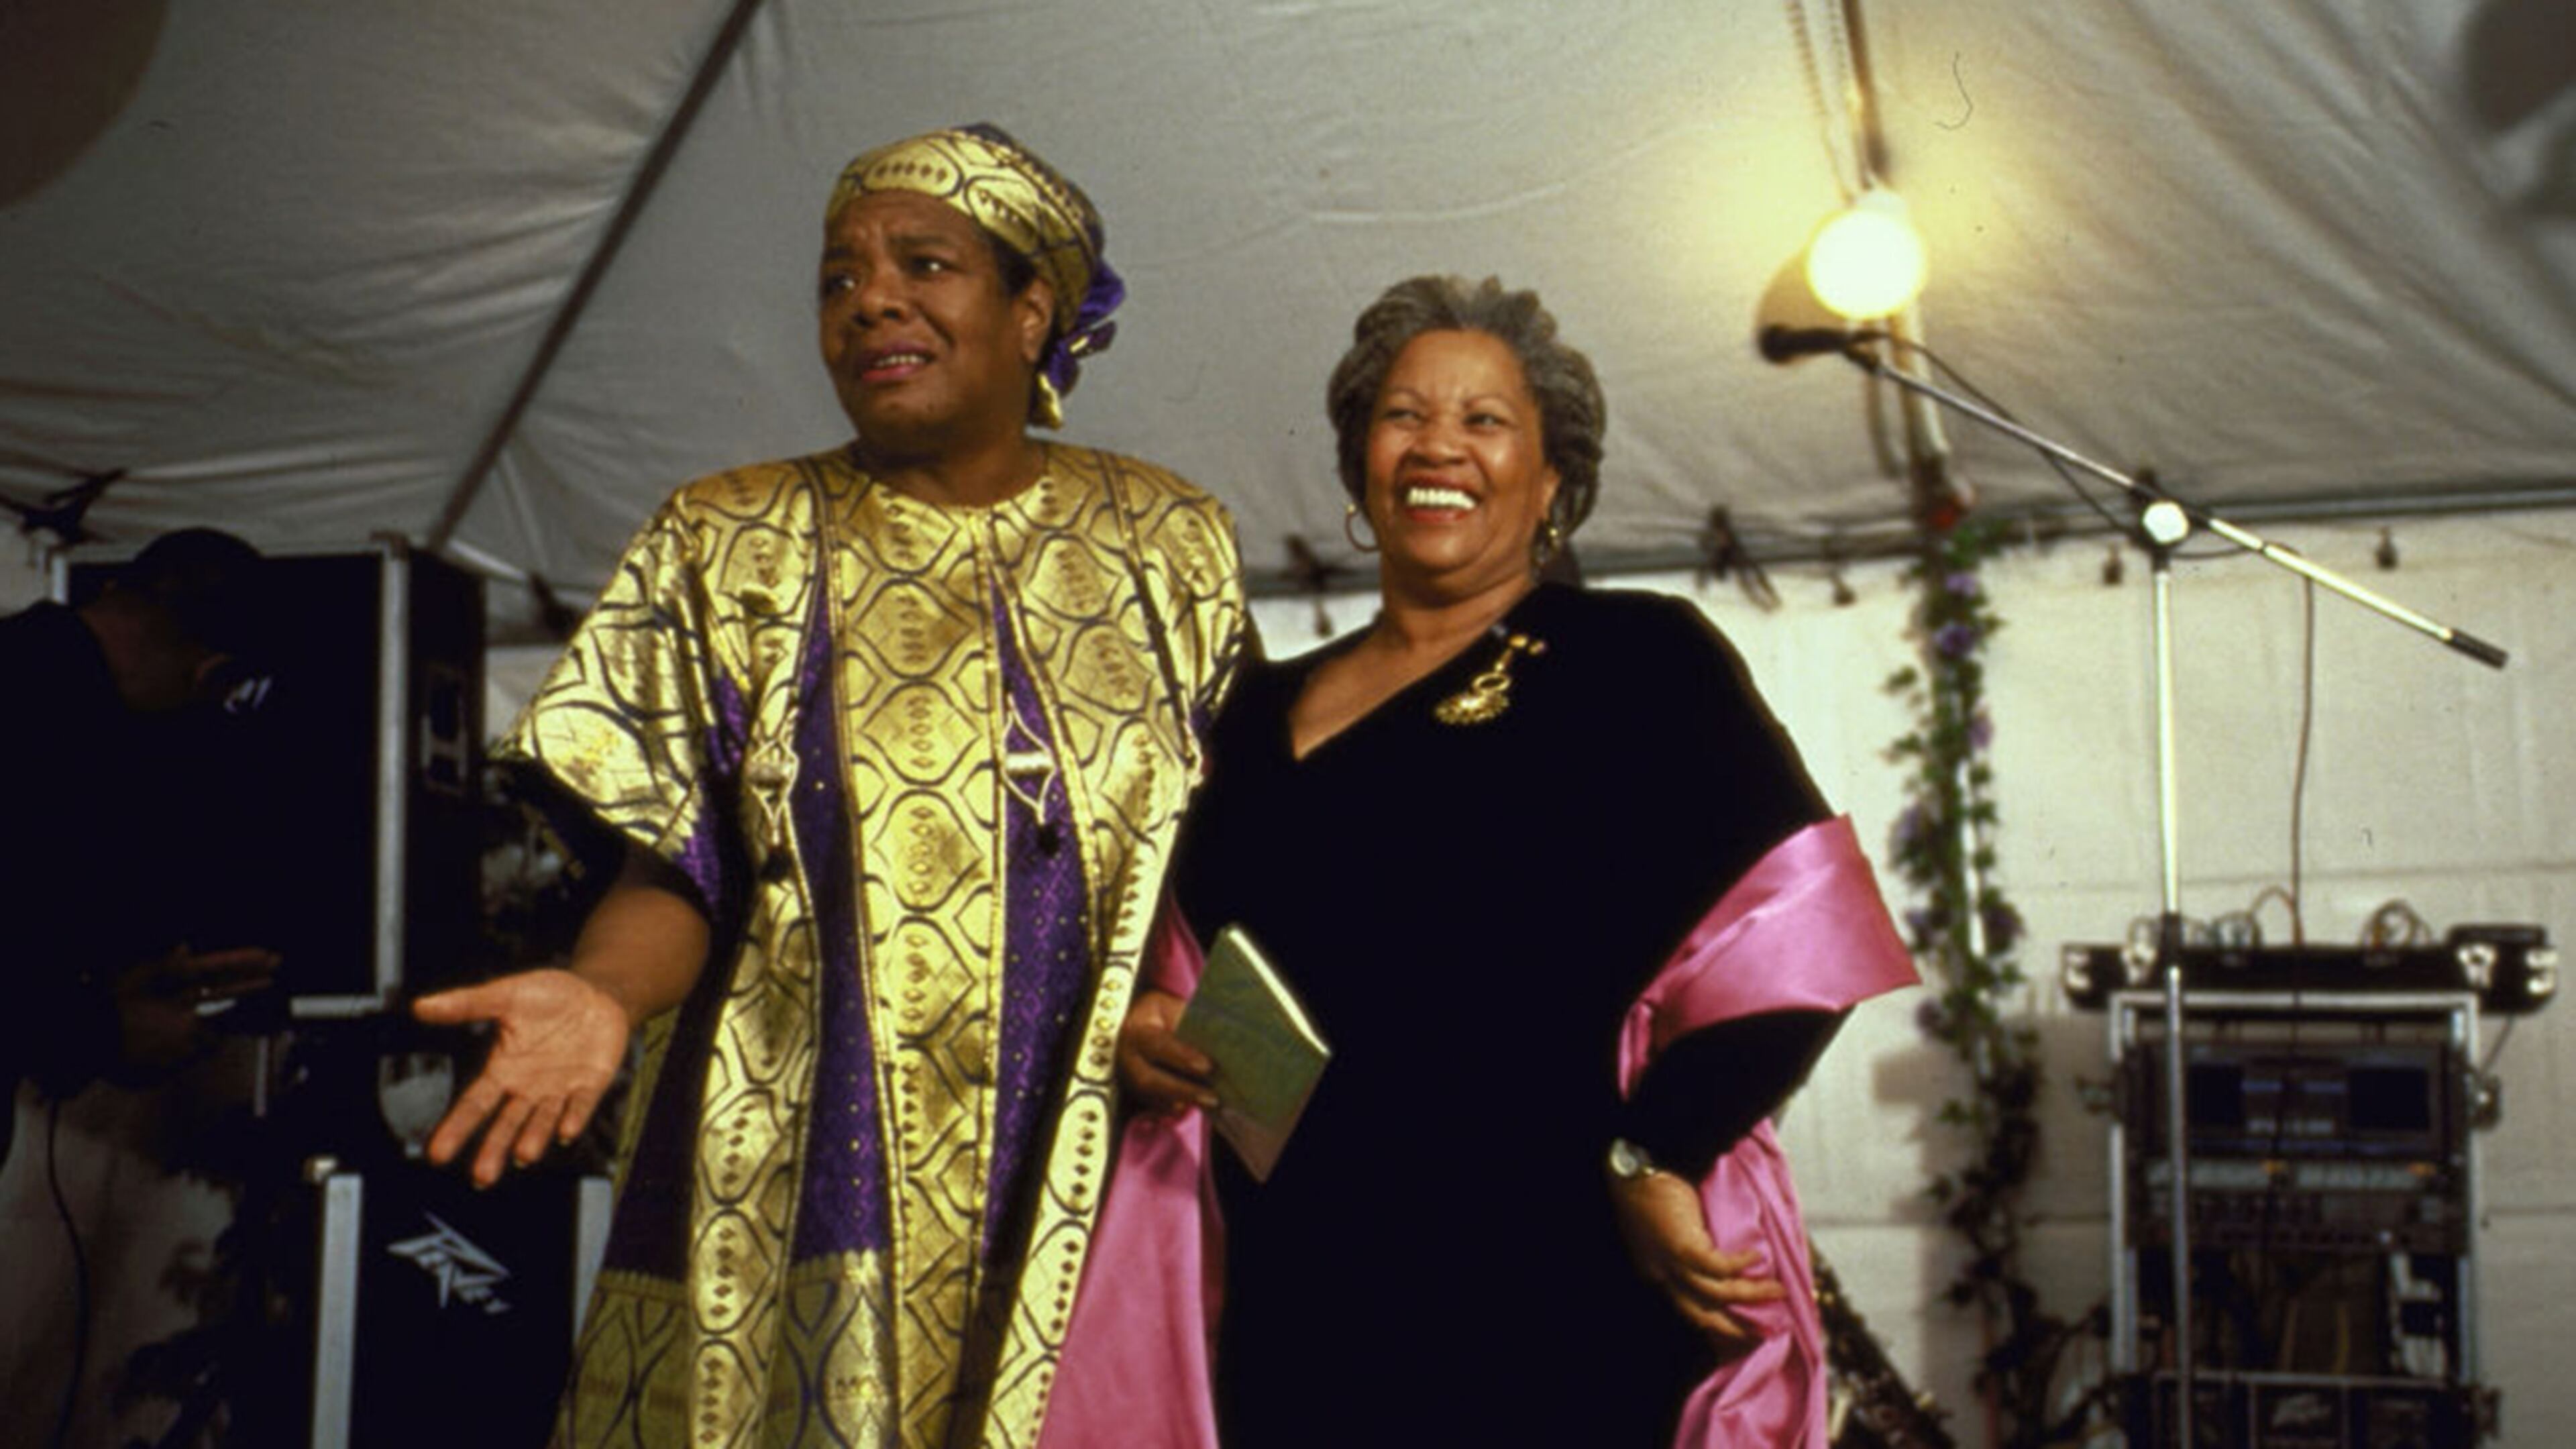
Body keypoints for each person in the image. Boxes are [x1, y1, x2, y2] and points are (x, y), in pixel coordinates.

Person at [413, 124, 1246, 1448]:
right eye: (837, 278)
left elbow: (1224, 860)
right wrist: (601, 992)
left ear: (1035, 310)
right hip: (797, 1179)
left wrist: (1186, 1029)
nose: (872, 301)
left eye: (927, 264)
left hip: (1086, 1172)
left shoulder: (1168, 540)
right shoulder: (723, 540)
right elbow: (674, 870)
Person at [1100, 276, 1917, 1446]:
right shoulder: (1246, 713)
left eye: (1486, 421)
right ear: (1356, 463)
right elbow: (1165, 963)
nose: (1439, 445)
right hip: (1297, 1303)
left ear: (1551, 483)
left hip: (1549, 1296)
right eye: (1403, 415)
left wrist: (1659, 1153)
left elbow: (1802, 938)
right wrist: (1147, 1028)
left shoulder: (1636, 663)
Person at [0, 527, 282, 1169]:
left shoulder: (30, 674)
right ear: (211, 673)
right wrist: (101, 1029)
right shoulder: (55, 728)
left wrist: (115, 998)